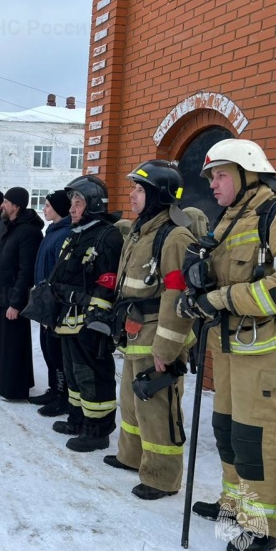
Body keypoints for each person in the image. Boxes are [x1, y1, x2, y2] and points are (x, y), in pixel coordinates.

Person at [176, 138, 276, 551]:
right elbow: (217, 275)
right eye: (210, 177)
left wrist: (218, 300)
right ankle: (234, 506)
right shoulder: (229, 220)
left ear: (248, 172)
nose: (213, 184)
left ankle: (262, 524)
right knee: (230, 434)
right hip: (235, 349)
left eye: (221, 174)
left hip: (274, 353)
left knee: (260, 442)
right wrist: (196, 281)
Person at [103, 161, 196, 500]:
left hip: (158, 336)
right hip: (134, 332)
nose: (133, 194)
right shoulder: (143, 229)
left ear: (159, 194)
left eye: (140, 190)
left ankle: (161, 477)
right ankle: (132, 456)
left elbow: (178, 293)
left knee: (157, 407)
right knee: (131, 402)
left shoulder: (174, 235)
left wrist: (167, 348)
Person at [49, 176, 123, 452]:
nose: (71, 209)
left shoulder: (107, 236)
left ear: (92, 205)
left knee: (93, 374)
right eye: (71, 203)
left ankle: (97, 431)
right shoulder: (76, 234)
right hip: (68, 318)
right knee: (74, 372)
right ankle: (78, 418)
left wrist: (97, 320)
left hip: (90, 322)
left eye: (77, 203)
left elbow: (108, 281)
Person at [0, 187, 43, 400]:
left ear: (16, 206)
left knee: (12, 346)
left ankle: (13, 387)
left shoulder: (29, 232)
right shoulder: (9, 226)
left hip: (12, 299)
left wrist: (16, 303)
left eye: (5, 202)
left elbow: (25, 272)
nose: (2, 205)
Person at [29, 190, 72, 416]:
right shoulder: (52, 231)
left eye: (47, 205)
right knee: (46, 348)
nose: (44, 209)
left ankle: (63, 395)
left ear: (58, 209)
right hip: (44, 300)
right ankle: (53, 389)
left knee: (56, 351)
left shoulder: (65, 234)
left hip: (55, 302)